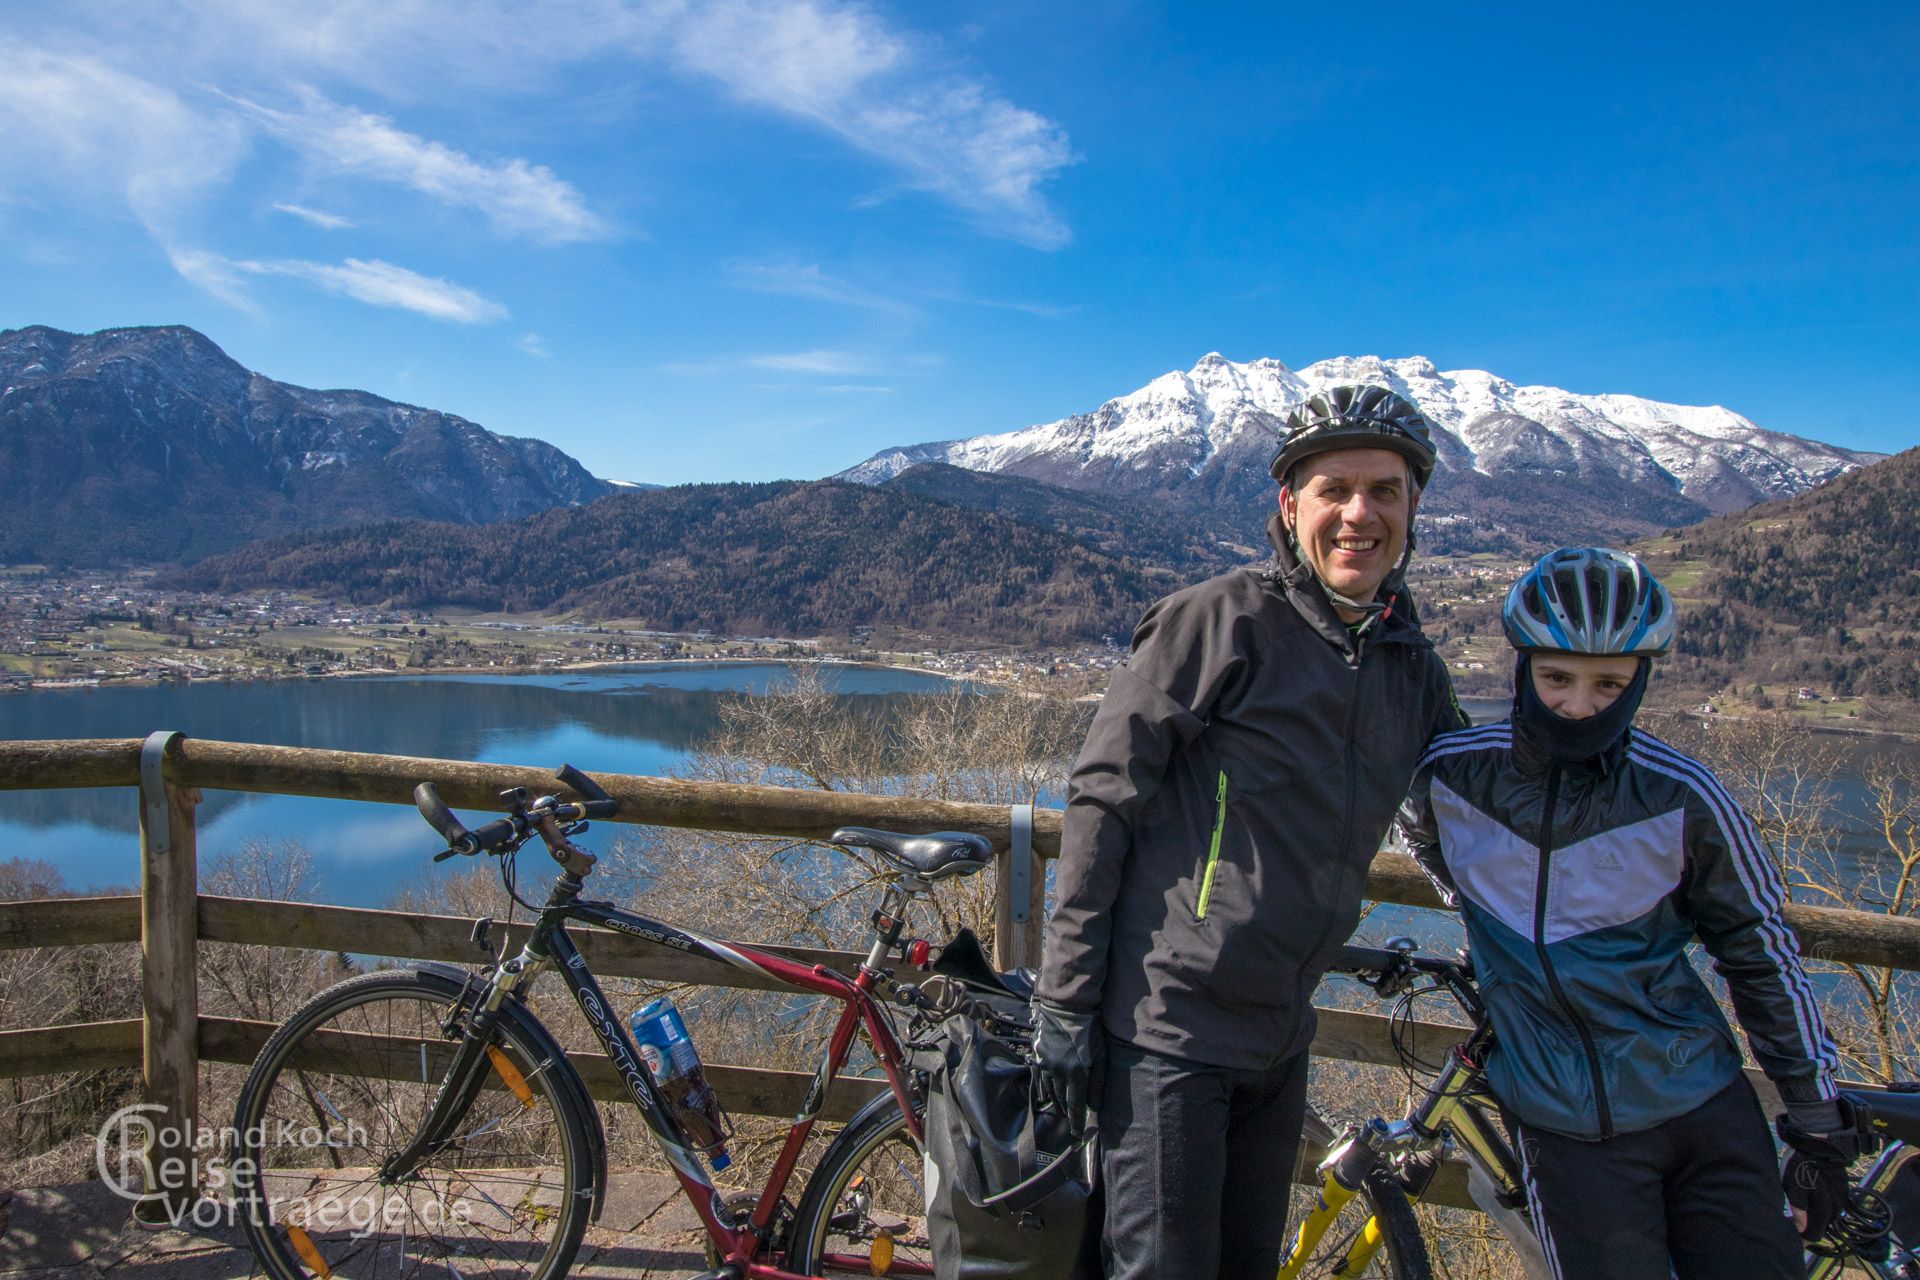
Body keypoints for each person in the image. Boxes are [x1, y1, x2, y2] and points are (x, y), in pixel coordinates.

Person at [1032, 384, 1469, 1280]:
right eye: (1334, 490)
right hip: (1168, 1032)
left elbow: (1475, 815)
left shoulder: (1411, 669)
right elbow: (1101, 802)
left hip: (1279, 1037)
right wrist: (1065, 1003)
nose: (1360, 514)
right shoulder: (1220, 621)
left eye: (1385, 490)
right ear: (1289, 506)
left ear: (1413, 507)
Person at [1399, 547, 1850, 1280]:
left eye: (1609, 684)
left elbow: (1759, 950)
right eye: (1557, 678)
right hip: (1565, 1132)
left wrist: (1816, 1117)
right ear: (1522, 671)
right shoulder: (1454, 772)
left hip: (1702, 1105)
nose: (1579, 705)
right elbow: (1420, 835)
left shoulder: (1682, 796)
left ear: (1640, 681)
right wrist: (1475, 908)